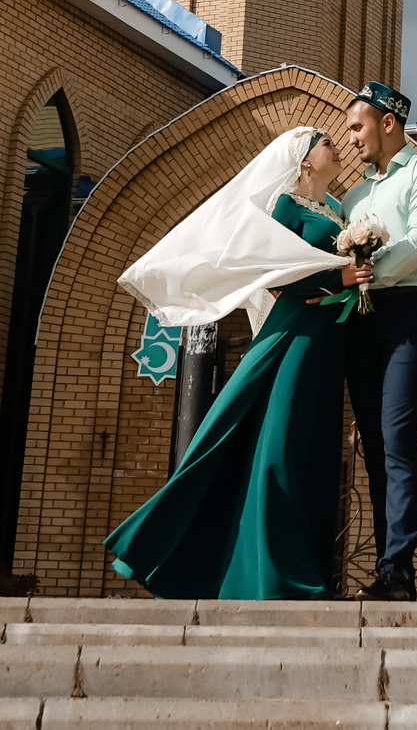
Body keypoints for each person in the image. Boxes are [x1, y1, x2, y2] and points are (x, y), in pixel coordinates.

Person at [102, 126, 370, 598]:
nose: (337, 147)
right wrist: (340, 277)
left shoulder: (338, 211)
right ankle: (272, 573)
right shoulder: (285, 207)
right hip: (295, 334)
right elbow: (273, 277)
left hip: (329, 340)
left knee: (314, 448)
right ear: (304, 161)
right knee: (280, 446)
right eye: (326, 143)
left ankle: (304, 566)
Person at [337, 80, 417, 601]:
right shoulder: (354, 195)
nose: (350, 139)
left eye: (357, 126)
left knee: (399, 435)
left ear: (388, 122)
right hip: (361, 318)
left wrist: (366, 270)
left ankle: (397, 571)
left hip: (411, 311)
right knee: (373, 442)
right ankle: (387, 565)